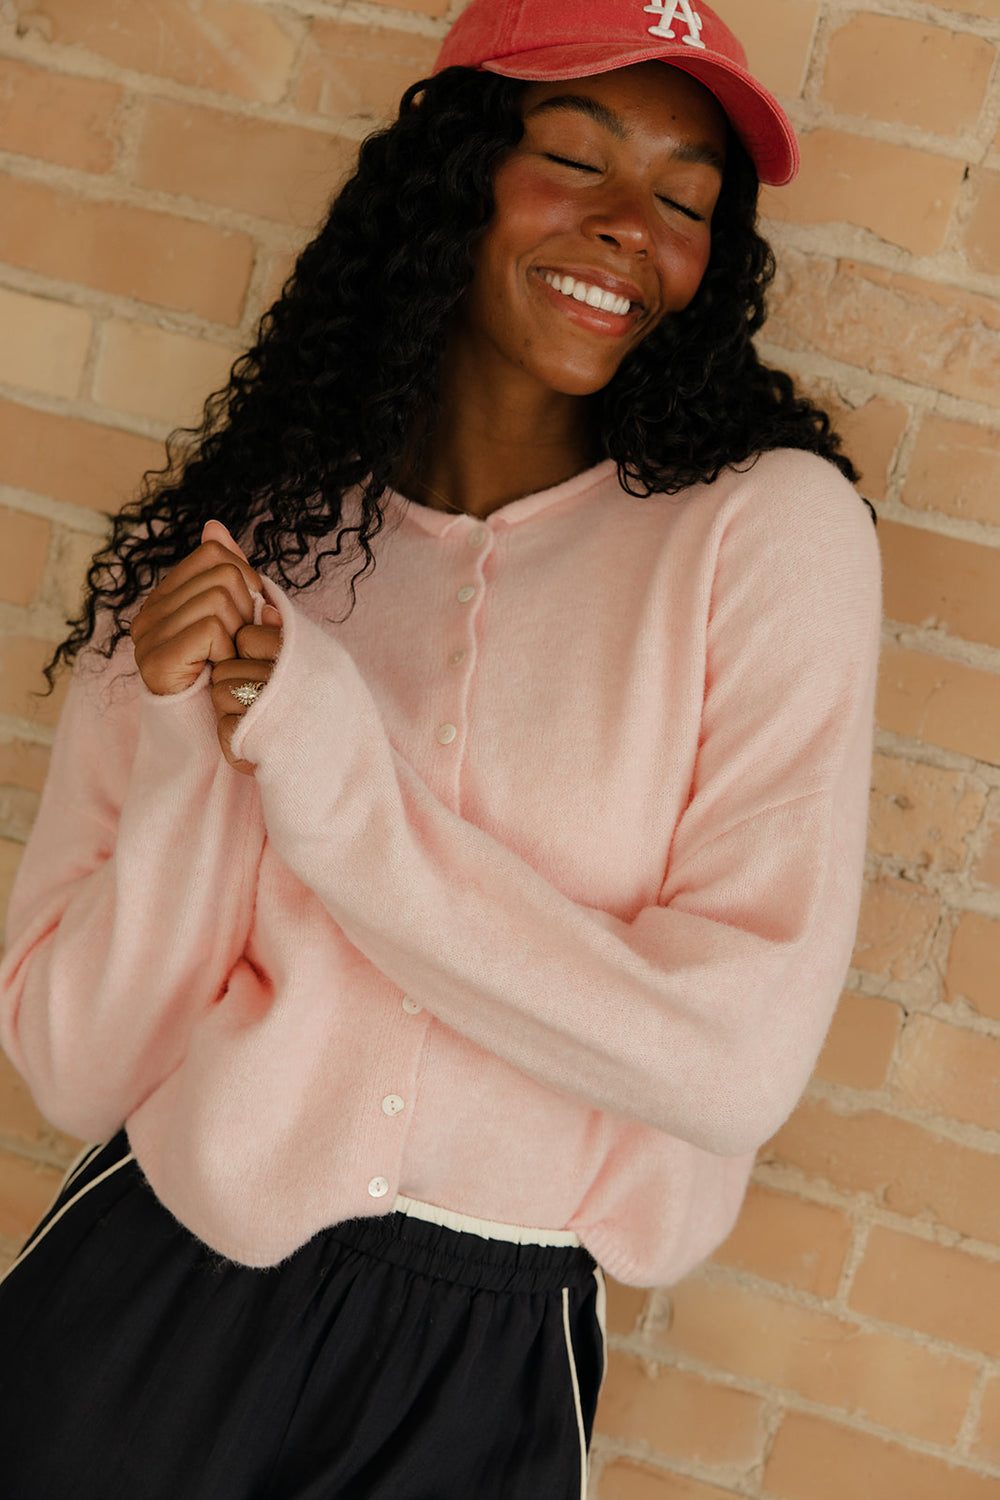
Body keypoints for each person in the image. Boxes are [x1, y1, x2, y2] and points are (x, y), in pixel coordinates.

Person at [0, 0, 881, 1495]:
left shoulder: (765, 535)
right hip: (151, 1292)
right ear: (454, 176)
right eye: (573, 157)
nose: (626, 229)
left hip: (486, 1365)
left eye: (682, 199)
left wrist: (329, 763)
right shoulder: (252, 549)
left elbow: (732, 1063)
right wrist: (182, 744)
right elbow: (75, 1065)